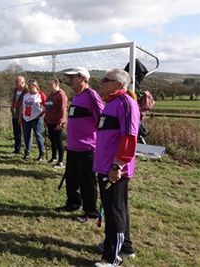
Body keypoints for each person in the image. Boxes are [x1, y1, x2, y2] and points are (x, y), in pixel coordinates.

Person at [93, 69, 139, 267]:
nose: (102, 82)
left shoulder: (125, 103)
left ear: (119, 84)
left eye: (106, 80)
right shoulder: (110, 102)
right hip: (104, 167)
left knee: (114, 212)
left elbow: (129, 137)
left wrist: (117, 164)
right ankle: (125, 247)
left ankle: (113, 258)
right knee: (117, 209)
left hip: (114, 170)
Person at [56, 67, 104, 223]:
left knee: (87, 182)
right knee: (71, 179)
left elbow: (102, 121)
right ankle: (73, 203)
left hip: (87, 148)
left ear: (83, 78)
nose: (69, 80)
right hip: (73, 147)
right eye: (68, 77)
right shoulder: (76, 96)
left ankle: (90, 211)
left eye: (73, 77)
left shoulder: (91, 96)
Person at [19, 79, 46, 161]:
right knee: (26, 136)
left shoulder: (40, 95)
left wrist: (41, 114)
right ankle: (27, 152)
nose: (30, 88)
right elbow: (22, 106)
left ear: (36, 86)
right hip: (26, 119)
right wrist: (20, 116)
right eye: (29, 86)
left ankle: (41, 154)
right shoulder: (26, 95)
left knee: (38, 136)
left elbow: (46, 107)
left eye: (32, 86)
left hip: (36, 119)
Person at [44, 78, 68, 168]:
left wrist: (61, 122)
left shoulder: (61, 95)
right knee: (52, 140)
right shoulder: (50, 95)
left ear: (56, 84)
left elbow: (63, 109)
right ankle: (54, 157)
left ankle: (61, 162)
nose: (49, 86)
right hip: (49, 121)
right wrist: (45, 120)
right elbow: (47, 108)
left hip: (57, 123)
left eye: (51, 84)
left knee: (58, 142)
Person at [10, 76, 28, 154]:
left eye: (17, 82)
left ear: (22, 82)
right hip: (14, 114)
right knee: (16, 132)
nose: (15, 83)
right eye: (15, 81)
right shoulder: (15, 90)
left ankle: (26, 149)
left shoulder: (27, 91)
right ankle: (17, 148)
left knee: (23, 133)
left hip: (23, 114)